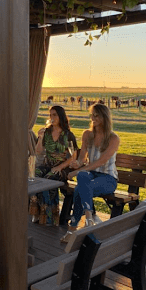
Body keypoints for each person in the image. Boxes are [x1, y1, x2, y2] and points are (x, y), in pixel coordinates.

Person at [60, 103, 120, 243]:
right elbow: (83, 158)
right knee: (82, 178)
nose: (92, 118)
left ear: (104, 117)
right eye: (91, 114)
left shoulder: (113, 138)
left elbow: (101, 162)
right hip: (90, 175)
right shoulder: (87, 134)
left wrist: (77, 172)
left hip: (108, 178)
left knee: (81, 187)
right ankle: (89, 219)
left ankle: (72, 230)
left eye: (96, 115)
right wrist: (78, 164)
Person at [30, 105, 78, 226]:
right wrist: (40, 138)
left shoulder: (68, 134)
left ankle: (50, 217)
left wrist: (59, 167)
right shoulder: (47, 131)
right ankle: (38, 213)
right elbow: (39, 151)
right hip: (48, 165)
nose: (52, 117)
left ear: (61, 116)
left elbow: (73, 156)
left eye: (54, 115)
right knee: (34, 175)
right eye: (50, 115)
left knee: (48, 179)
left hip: (63, 168)